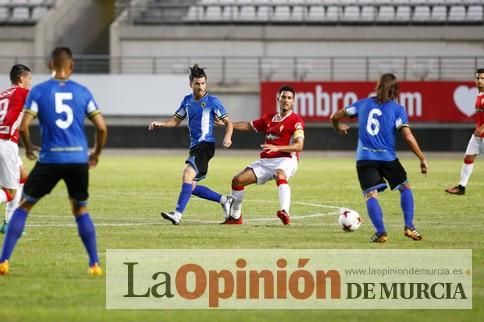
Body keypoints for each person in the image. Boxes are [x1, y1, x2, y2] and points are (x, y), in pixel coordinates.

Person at [0, 47, 108, 276]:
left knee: (24, 203)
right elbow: (101, 128)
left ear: (50, 66)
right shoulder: (82, 91)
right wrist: (95, 154)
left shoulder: (38, 91)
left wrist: (28, 147)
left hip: (49, 158)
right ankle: (95, 264)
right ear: (72, 66)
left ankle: (4, 260)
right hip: (77, 158)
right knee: (80, 208)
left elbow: (24, 126)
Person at [330, 73, 428, 243]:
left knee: (371, 195)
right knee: (405, 188)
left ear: (378, 87)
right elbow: (408, 136)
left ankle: (381, 232)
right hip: (388, 158)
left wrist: (338, 127)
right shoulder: (398, 110)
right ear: (396, 91)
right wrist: (421, 157)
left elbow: (334, 116)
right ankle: (409, 227)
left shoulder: (362, 104)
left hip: (364, 158)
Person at [148, 64, 233, 225]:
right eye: (197, 84)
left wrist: (228, 137)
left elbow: (229, 123)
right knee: (191, 185)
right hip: (195, 147)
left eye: (203, 83)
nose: (200, 87)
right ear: (190, 84)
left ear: (205, 83)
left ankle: (177, 214)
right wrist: (160, 123)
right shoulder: (187, 101)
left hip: (206, 145)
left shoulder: (213, 101)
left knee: (187, 174)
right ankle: (224, 200)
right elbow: (175, 121)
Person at [223, 85, 305, 225]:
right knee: (237, 180)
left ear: (293, 101)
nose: (286, 100)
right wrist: (228, 124)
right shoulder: (269, 118)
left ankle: (284, 212)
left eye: (289, 98)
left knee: (280, 174)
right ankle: (236, 217)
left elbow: (299, 145)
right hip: (266, 161)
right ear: (278, 98)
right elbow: (249, 125)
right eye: (283, 97)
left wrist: (277, 147)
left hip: (286, 159)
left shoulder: (296, 121)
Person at [0, 65, 31, 235]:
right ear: (21, 79)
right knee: (10, 193)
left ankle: (9, 223)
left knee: (23, 177)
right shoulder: (22, 93)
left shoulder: (2, 94)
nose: (29, 83)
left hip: (3, 142)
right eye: (28, 79)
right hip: (6, 144)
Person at [445, 68, 484, 195]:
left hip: (482, 132)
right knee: (468, 158)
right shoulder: (479, 95)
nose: (479, 80)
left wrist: (482, 128)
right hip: (478, 135)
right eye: (478, 78)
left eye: (483, 78)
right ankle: (461, 187)